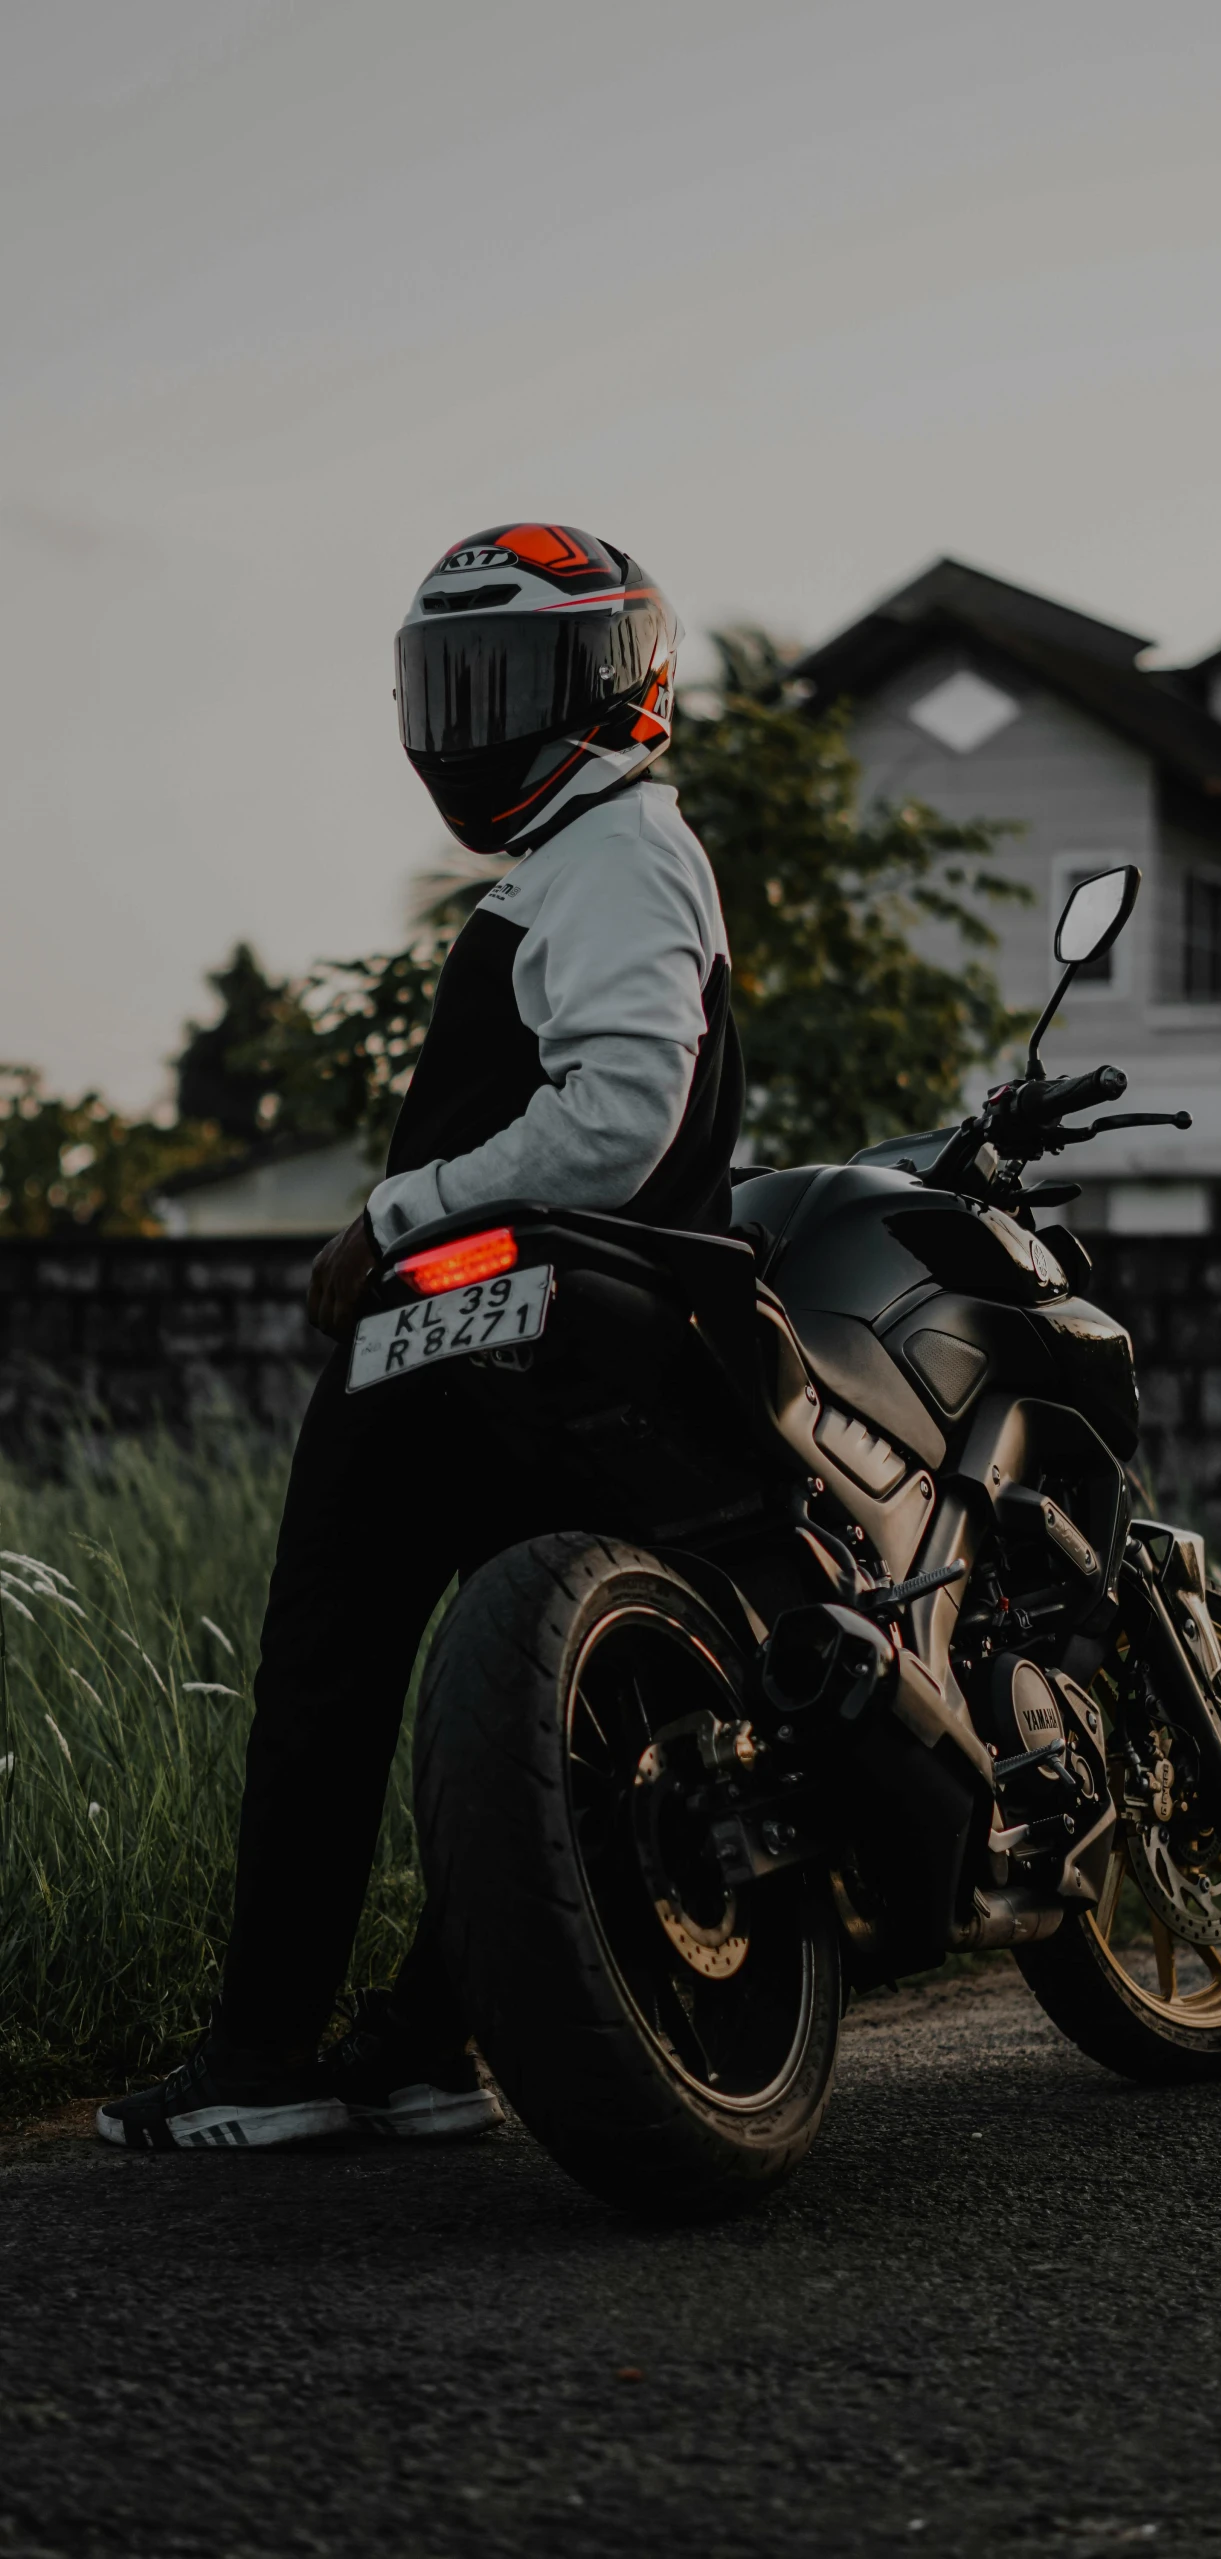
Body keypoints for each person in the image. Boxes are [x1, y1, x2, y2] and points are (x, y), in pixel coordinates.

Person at [99, 524, 744, 2150]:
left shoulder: (618, 850)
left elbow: (614, 1114)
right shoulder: (592, 858)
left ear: (615, 681)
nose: (468, 724)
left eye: (506, 682)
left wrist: (393, 1217)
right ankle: (418, 2039)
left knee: (330, 1671)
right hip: (544, 1332)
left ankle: (262, 2060)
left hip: (493, 1334)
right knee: (527, 1698)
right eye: (448, 685)